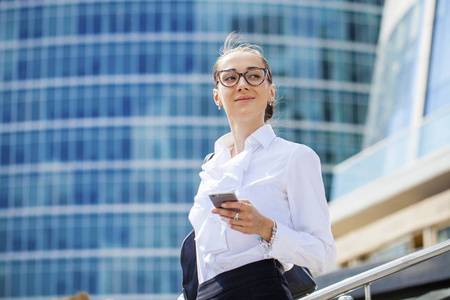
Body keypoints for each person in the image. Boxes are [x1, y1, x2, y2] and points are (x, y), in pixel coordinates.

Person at [181, 33, 336, 300]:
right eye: (230, 78)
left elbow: (323, 254)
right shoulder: (211, 169)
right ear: (217, 96)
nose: (242, 84)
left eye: (253, 76)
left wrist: (266, 228)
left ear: (270, 92)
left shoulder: (295, 157)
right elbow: (203, 268)